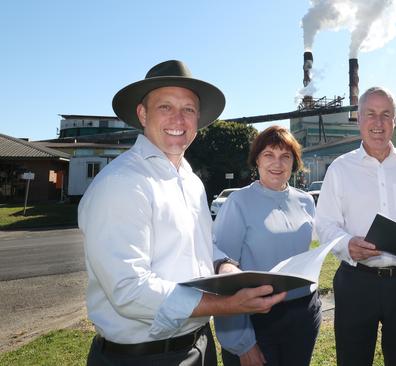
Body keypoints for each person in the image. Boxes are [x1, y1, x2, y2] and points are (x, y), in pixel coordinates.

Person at [79, 60, 286, 366]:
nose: (178, 118)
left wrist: (223, 265)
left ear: (198, 118)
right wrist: (226, 304)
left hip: (199, 346)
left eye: (188, 109)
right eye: (165, 107)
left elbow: (197, 244)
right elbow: (128, 288)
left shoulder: (189, 180)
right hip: (142, 358)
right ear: (142, 114)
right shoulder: (122, 182)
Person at [315, 86, 396, 366]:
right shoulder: (340, 168)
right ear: (358, 119)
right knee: (352, 359)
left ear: (395, 120)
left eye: (386, 114)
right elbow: (325, 223)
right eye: (370, 114)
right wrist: (346, 244)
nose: (378, 122)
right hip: (356, 283)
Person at [213, 125, 321, 366]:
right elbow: (224, 281)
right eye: (269, 155)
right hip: (257, 319)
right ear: (257, 160)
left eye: (285, 156)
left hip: (303, 315)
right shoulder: (238, 202)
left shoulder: (306, 201)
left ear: (294, 163)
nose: (277, 163)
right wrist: (243, 343)